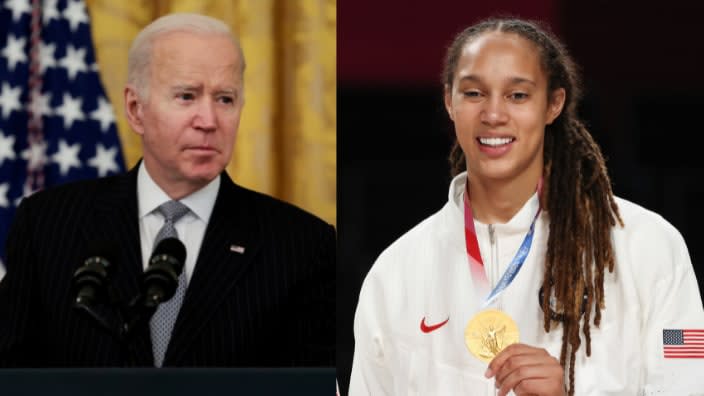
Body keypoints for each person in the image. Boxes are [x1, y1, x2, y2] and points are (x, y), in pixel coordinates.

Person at [349, 17, 704, 395]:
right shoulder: (395, 272)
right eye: (473, 93)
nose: (493, 114)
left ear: (554, 104)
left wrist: (574, 392)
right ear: (449, 101)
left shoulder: (651, 246)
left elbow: (689, 382)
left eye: (517, 95)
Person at [0, 13, 334, 367]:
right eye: (187, 96)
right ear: (135, 109)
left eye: (225, 99)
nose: (208, 121)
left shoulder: (302, 245)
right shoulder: (48, 225)